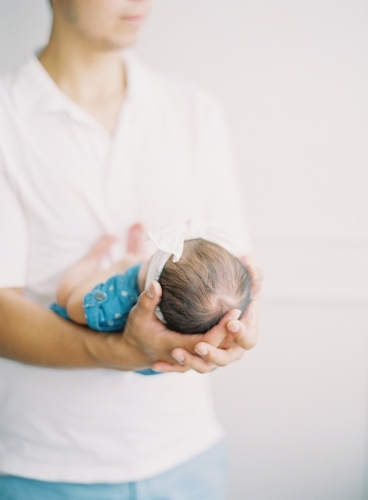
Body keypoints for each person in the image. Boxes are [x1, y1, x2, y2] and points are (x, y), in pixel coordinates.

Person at [0, 1, 262, 498]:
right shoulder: (7, 119)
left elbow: (235, 263)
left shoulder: (192, 110)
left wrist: (237, 319)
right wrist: (120, 351)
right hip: (47, 468)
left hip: (188, 457)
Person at [50, 218, 252, 348]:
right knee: (141, 269)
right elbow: (159, 277)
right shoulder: (177, 330)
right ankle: (136, 254)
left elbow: (75, 308)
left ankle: (93, 258)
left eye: (157, 255)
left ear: (153, 291)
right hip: (146, 283)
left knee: (65, 295)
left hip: (76, 319)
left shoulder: (114, 300)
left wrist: (116, 268)